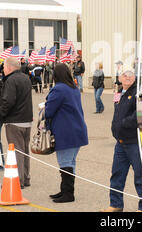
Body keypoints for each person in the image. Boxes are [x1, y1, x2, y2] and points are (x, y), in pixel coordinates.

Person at [101, 67, 142, 212]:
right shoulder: (119, 92)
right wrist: (115, 127)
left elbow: (141, 114)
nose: (127, 77)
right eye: (125, 75)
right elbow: (117, 113)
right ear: (120, 78)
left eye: (131, 75)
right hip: (120, 143)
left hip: (134, 142)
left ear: (135, 78)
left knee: (140, 177)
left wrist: (123, 123)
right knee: (117, 174)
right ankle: (115, 204)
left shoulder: (140, 93)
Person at [45, 63, 88, 203]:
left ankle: (68, 194)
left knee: (65, 162)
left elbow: (49, 111)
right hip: (77, 130)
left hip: (66, 131)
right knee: (70, 162)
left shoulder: (58, 89)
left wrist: (44, 106)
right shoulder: (73, 88)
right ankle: (66, 191)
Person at [0, 57, 33, 189]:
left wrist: (0, 115)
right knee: (24, 150)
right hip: (26, 119)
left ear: (9, 67)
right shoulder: (26, 78)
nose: (3, 69)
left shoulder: (11, 80)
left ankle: (18, 180)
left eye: (4, 67)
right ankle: (26, 177)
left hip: (15, 121)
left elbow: (8, 101)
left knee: (17, 151)